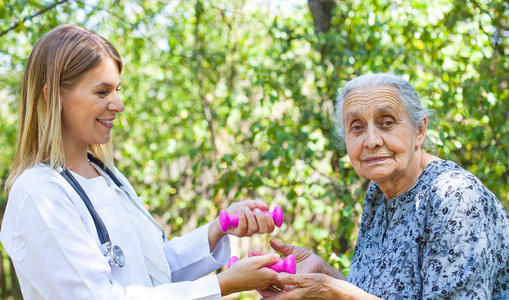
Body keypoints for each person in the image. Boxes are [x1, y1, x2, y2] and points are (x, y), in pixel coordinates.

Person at [0, 24, 281, 299]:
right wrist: (223, 285)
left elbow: (154, 271)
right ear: (53, 96)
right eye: (102, 92)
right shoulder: (38, 195)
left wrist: (217, 229)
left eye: (117, 91)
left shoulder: (109, 177)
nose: (118, 105)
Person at [253, 73, 509, 299]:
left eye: (387, 122)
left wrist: (334, 293)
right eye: (357, 127)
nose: (371, 141)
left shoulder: (454, 195)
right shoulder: (379, 192)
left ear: (420, 131)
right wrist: (324, 273)